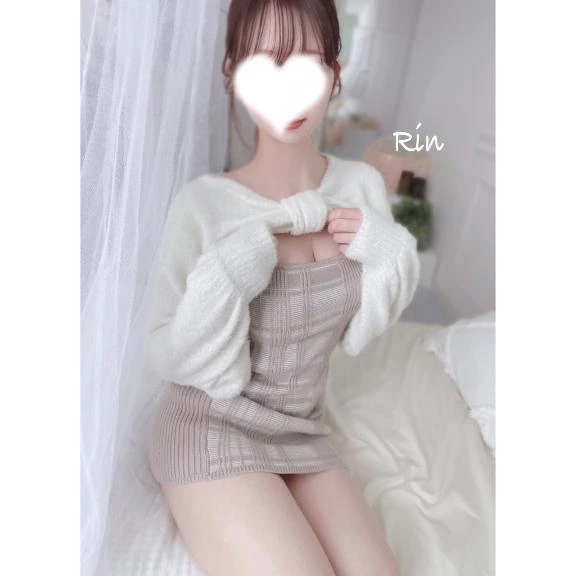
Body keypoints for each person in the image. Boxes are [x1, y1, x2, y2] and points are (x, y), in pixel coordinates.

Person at [145, 1, 419, 574]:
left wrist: (391, 253)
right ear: (232, 73)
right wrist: (226, 276)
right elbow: (167, 353)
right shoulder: (203, 206)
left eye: (308, 62)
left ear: (334, 73)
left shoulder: (361, 188)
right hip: (210, 421)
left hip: (302, 429)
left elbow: (364, 330)